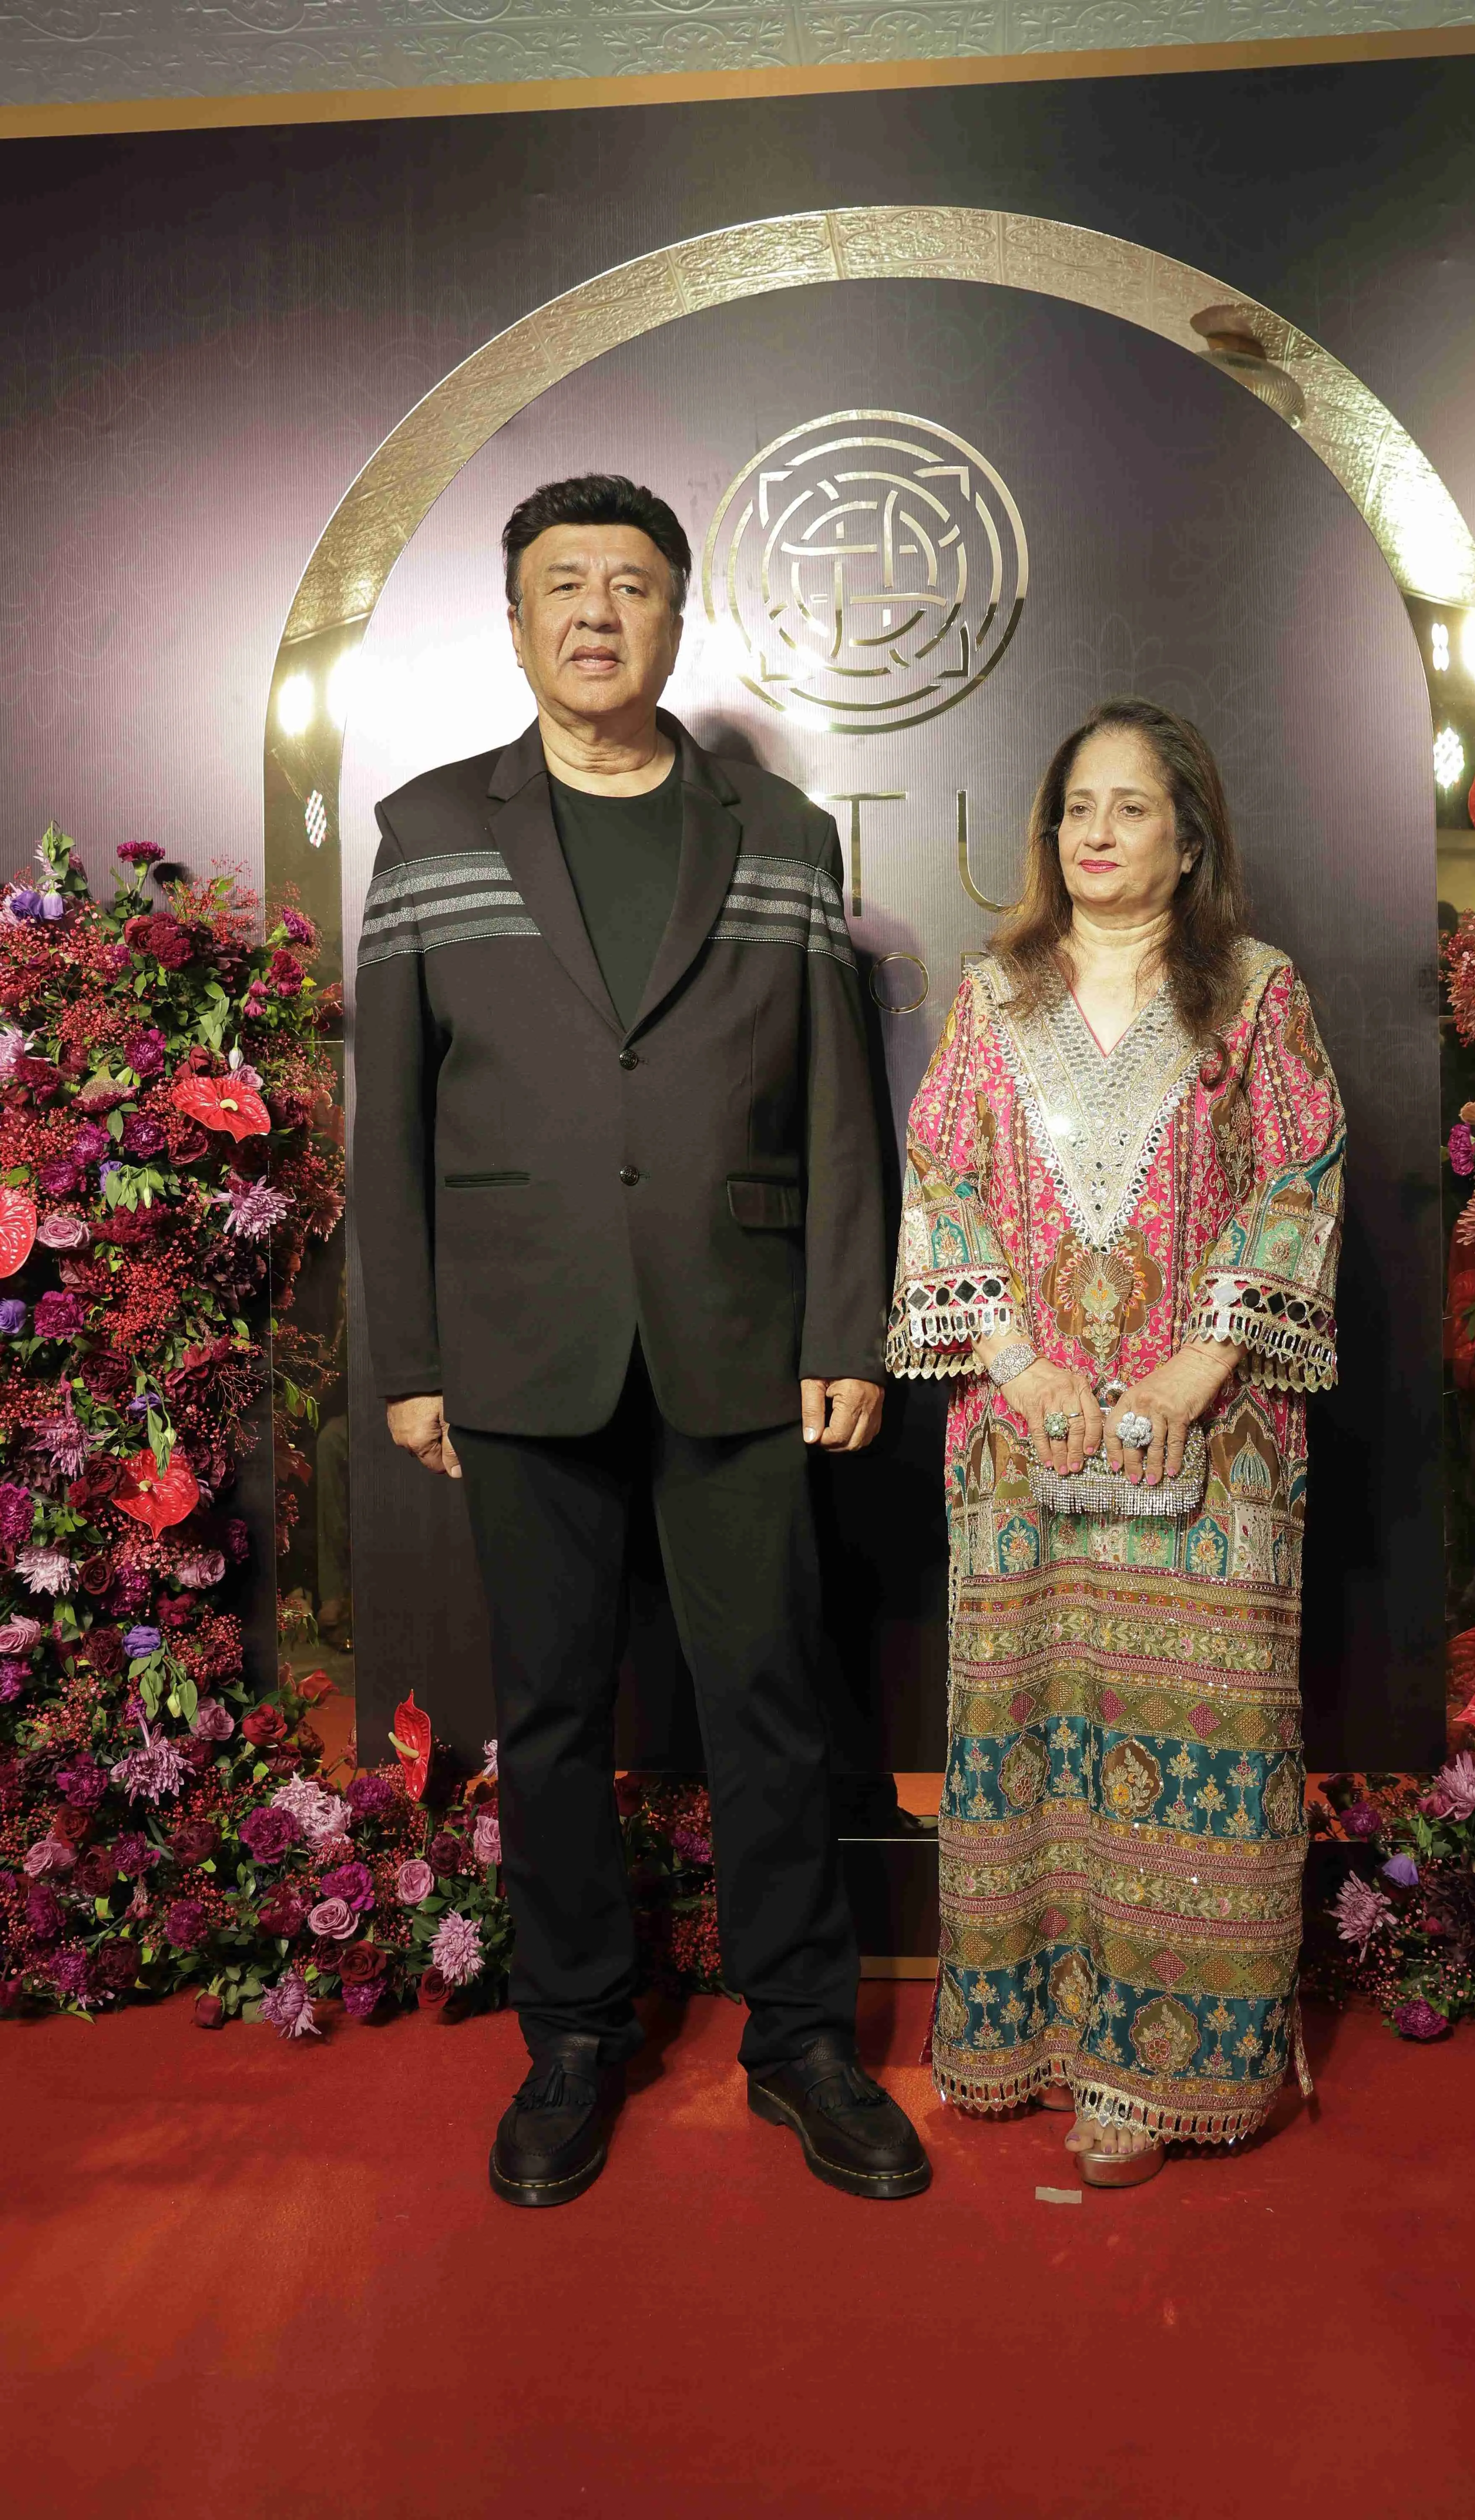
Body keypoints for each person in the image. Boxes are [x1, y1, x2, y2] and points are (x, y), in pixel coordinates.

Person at [354, 472, 930, 2207]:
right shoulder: (427, 828)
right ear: (519, 620)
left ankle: (801, 2040)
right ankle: (575, 2034)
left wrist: (845, 1320)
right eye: (563, 587)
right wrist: (410, 1356)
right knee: (545, 1715)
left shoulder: (780, 834)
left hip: (745, 1335)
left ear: (679, 617)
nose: (597, 614)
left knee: (768, 1700)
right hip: (519, 1341)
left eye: (630, 586)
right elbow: (389, 1120)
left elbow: (842, 1107)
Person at [887, 697, 1344, 2186]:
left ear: (1190, 835)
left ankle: (1166, 2074)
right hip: (1022, 1444)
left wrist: (1198, 1369)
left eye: (1130, 807)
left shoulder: (1256, 996)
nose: (1095, 832)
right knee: (1029, 1736)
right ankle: (1025, 2038)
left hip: (1206, 1451)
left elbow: (1301, 1175)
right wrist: (1018, 1368)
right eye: (1076, 806)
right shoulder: (992, 995)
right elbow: (943, 1184)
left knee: (1190, 1734)